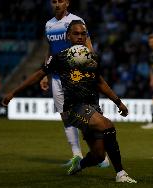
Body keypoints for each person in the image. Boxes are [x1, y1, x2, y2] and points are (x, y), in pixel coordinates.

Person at [2, 20, 137, 183]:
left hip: (93, 107)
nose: (80, 37)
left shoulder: (92, 57)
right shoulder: (60, 58)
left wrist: (118, 102)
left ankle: (79, 164)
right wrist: (13, 93)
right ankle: (121, 174)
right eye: (76, 33)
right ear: (68, 36)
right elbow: (38, 74)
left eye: (83, 34)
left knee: (98, 156)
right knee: (107, 125)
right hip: (75, 108)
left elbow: (100, 82)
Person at [40, 0, 109, 167]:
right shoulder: (49, 25)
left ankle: (101, 155)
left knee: (85, 114)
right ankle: (76, 155)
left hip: (76, 76)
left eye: (60, 1)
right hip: (56, 77)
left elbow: (88, 45)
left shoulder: (76, 21)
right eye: (54, 1)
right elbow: (50, 50)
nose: (57, 4)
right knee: (65, 116)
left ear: (67, 3)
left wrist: (92, 66)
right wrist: (45, 74)